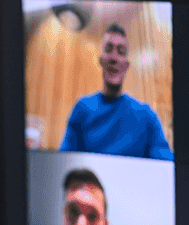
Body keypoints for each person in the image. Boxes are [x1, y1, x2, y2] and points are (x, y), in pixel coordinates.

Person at [59, 24, 173, 161]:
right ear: (101, 60)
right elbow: (64, 160)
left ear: (126, 64)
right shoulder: (82, 109)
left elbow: (166, 166)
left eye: (121, 51)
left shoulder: (147, 117)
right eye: (108, 49)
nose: (114, 58)